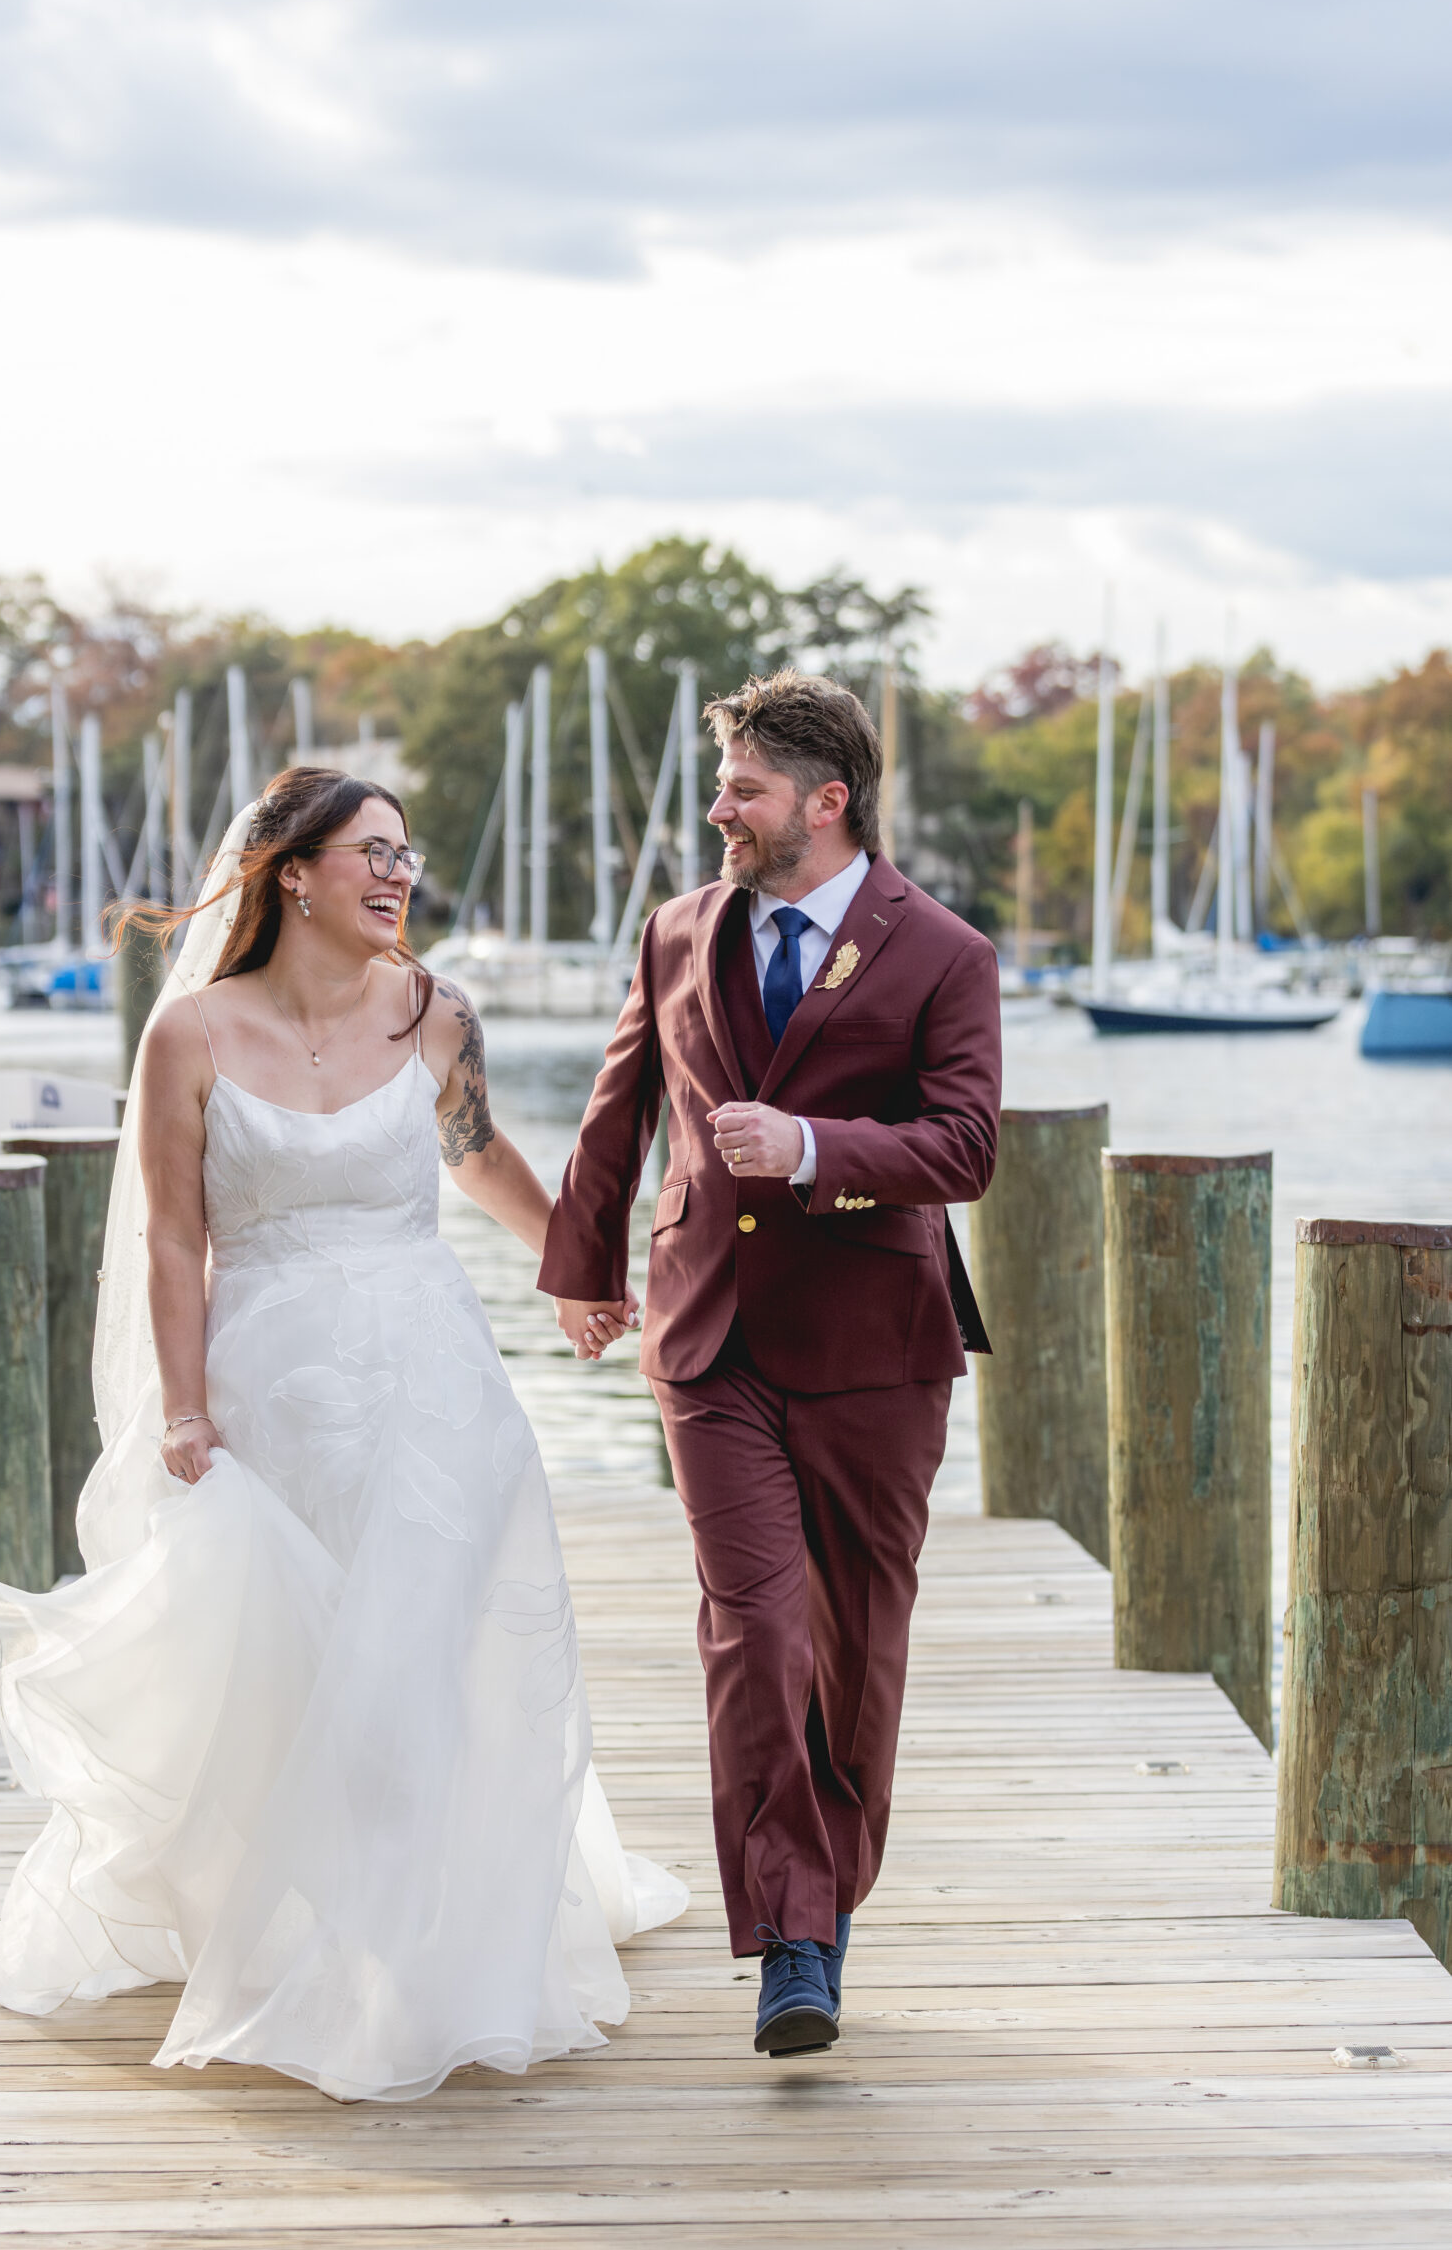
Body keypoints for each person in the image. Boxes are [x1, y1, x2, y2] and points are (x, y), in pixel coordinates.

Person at [0, 768, 685, 2104]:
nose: (397, 876)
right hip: (269, 1388)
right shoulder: (190, 1035)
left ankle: (413, 1950)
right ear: (289, 874)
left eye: (407, 857)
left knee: (421, 1649)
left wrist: (578, 1271)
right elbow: (176, 1237)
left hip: (433, 1383)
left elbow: (474, 1156)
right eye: (371, 853)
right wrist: (184, 1406)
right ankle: (303, 1912)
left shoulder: (435, 1014)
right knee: (301, 1667)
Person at [541, 668, 1000, 2057]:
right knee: (756, 1629)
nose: (719, 808)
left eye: (743, 787)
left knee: (855, 1649)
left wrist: (810, 1150)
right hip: (709, 1335)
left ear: (826, 800)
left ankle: (823, 1891)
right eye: (723, 782)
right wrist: (582, 1266)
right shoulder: (678, 928)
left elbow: (967, 1148)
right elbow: (620, 1104)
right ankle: (793, 1942)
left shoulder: (945, 954)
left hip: (876, 1345)